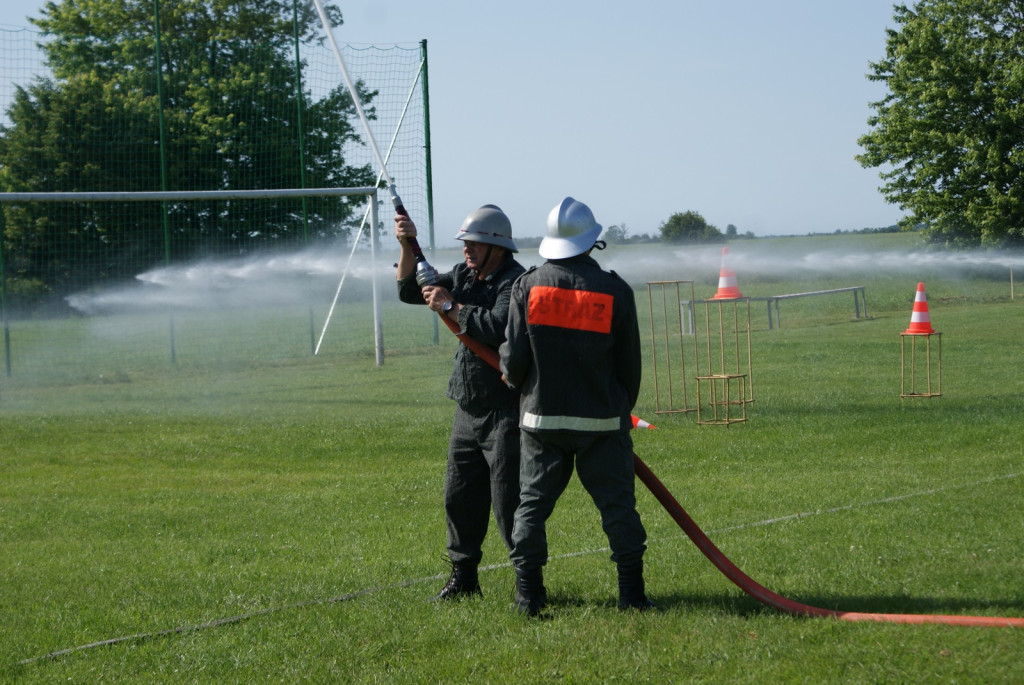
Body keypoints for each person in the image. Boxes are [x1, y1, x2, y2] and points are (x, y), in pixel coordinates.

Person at [499, 197, 652, 616]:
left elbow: (513, 360)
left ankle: (528, 596)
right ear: (592, 241)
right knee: (619, 509)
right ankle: (632, 596)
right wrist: (620, 412)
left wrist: (513, 379)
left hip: (540, 420)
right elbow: (630, 366)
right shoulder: (614, 290)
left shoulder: (526, 286)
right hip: (602, 423)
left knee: (531, 506)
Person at [395, 204, 526, 600]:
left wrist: (452, 306)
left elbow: (499, 326)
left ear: (497, 247)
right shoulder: (465, 275)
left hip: (505, 409)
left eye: (475, 244)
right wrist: (406, 245)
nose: (467, 250)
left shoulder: (516, 283)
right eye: (466, 243)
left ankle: (527, 582)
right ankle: (463, 577)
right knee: (459, 496)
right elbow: (407, 291)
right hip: (467, 407)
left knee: (508, 502)